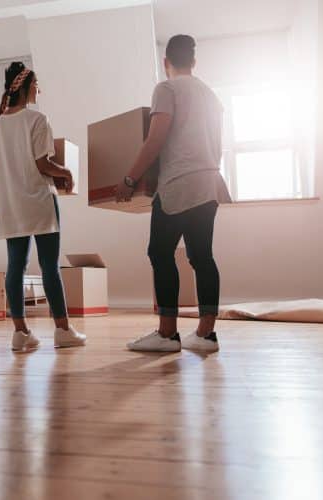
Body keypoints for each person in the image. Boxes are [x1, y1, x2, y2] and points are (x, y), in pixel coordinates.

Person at [117, 35, 231, 353]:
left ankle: (167, 334)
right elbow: (218, 146)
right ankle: (206, 335)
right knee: (201, 256)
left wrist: (130, 179)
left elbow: (155, 140)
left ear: (166, 63)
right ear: (193, 63)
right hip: (209, 182)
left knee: (160, 253)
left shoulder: (166, 89)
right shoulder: (211, 95)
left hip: (179, 183)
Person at [0, 62, 87, 352]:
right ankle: (63, 330)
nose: (39, 89)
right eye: (37, 84)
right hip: (40, 203)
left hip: (11, 207)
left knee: (15, 267)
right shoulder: (37, 120)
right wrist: (66, 173)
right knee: (49, 268)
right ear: (28, 86)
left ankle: (20, 333)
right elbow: (43, 163)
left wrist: (12, 188)